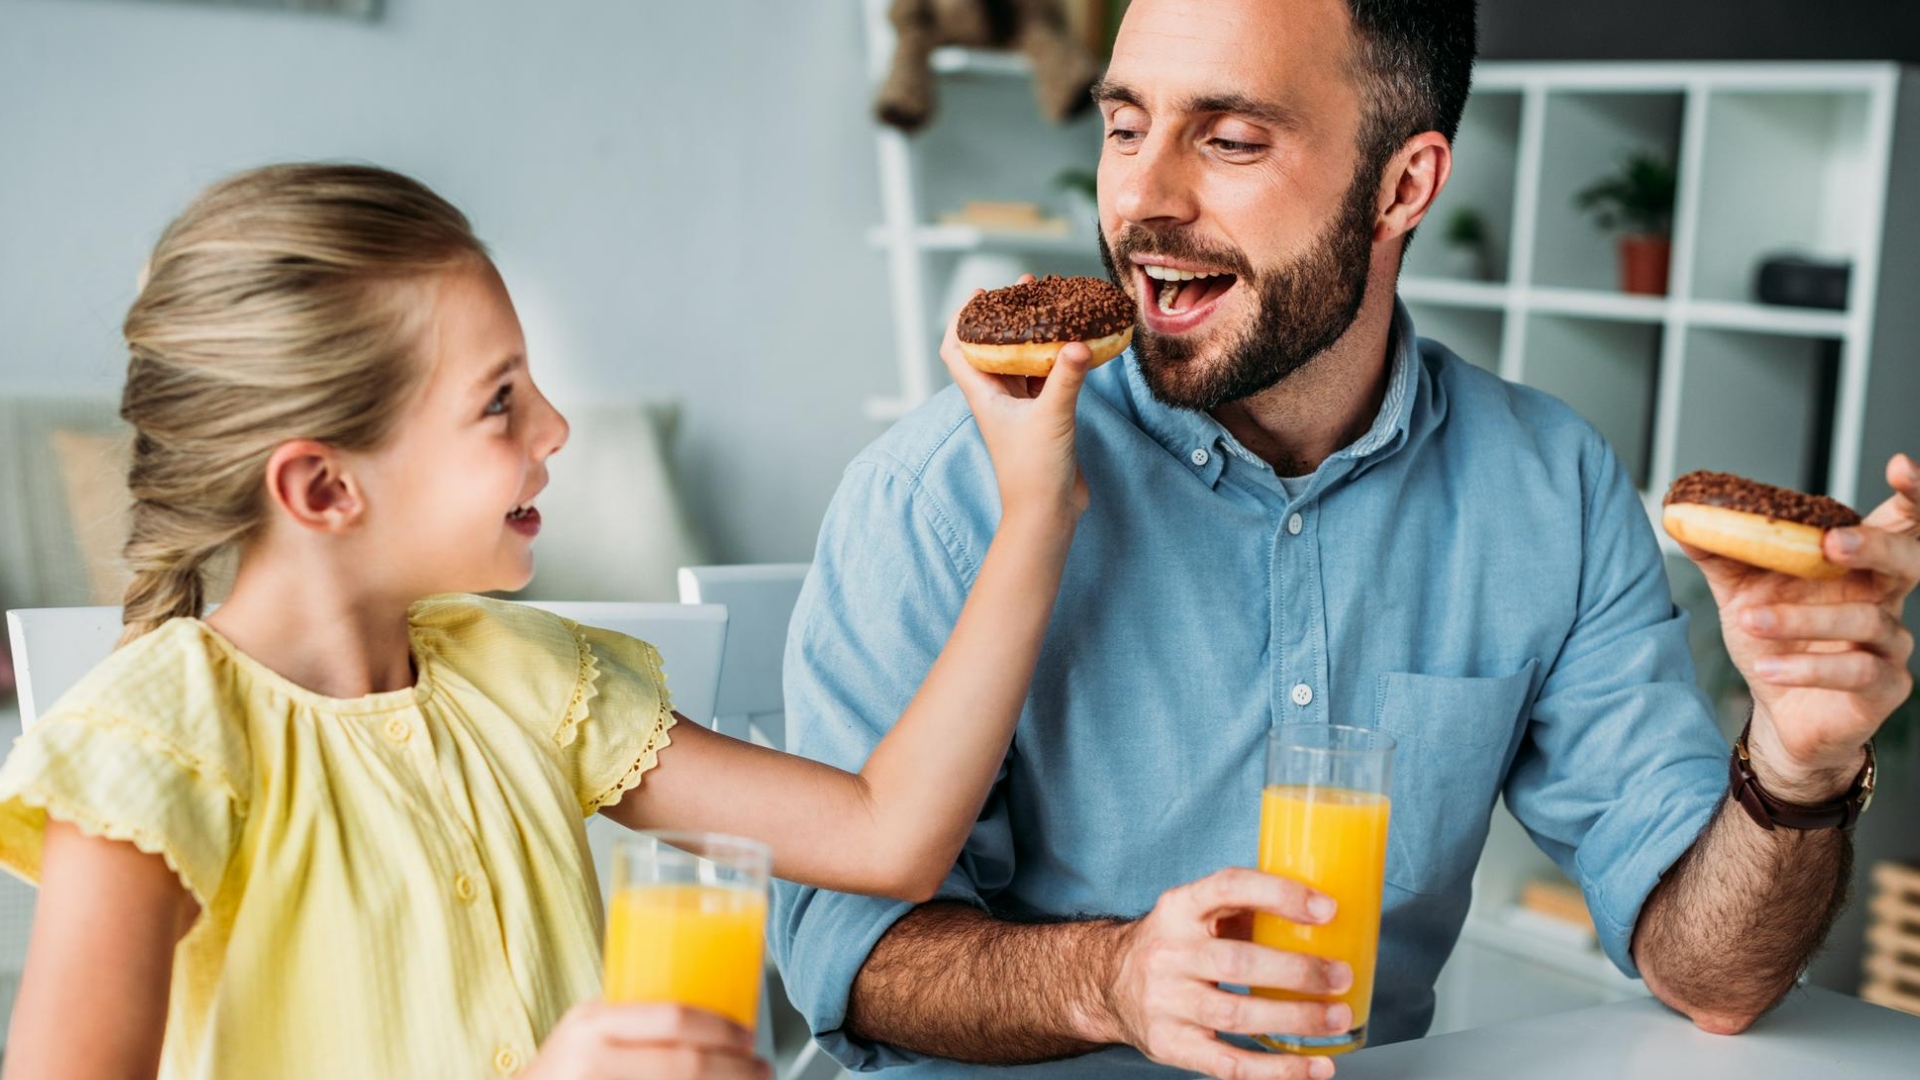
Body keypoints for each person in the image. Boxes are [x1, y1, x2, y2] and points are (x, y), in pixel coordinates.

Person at [770, 2, 1920, 1078]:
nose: (1141, 198)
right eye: (1126, 126)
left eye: (1228, 140)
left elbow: (1710, 975)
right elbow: (839, 952)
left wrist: (1798, 769)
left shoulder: (1547, 486)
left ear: (1403, 184)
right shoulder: (944, 492)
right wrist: (1104, 980)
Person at [0, 163, 1093, 1080]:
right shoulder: (156, 754)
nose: (556, 426)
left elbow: (887, 835)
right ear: (325, 491)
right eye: (498, 401)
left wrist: (1036, 513)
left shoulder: (527, 675)